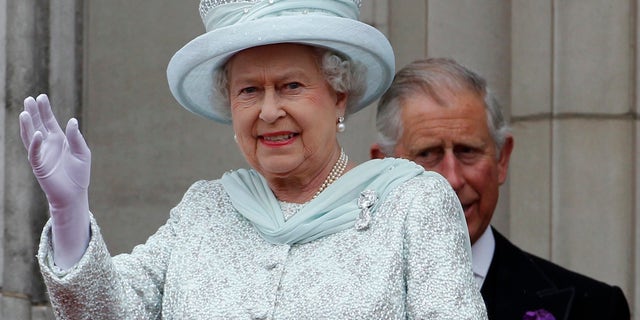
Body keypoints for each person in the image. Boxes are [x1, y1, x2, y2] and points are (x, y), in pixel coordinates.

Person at [19, 2, 487, 319]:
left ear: (339, 95)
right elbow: (107, 311)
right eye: (249, 91)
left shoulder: (413, 204)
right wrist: (69, 212)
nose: (268, 111)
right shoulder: (204, 211)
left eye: (291, 86)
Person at [371, 57, 631, 320]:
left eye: (468, 151)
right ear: (383, 168)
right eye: (428, 153)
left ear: (502, 159)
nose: (452, 179)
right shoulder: (337, 295)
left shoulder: (593, 309)